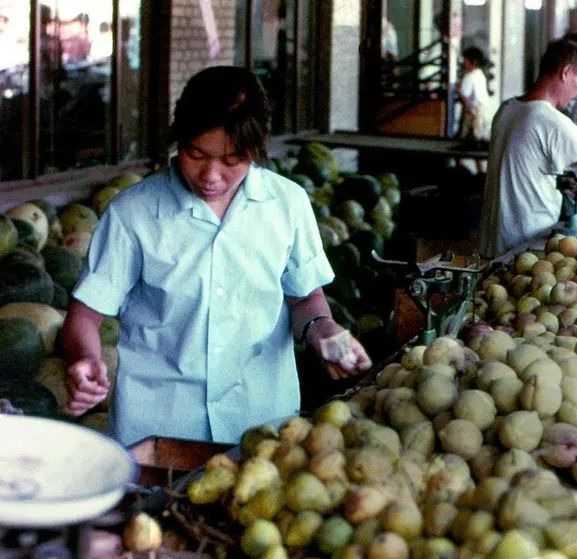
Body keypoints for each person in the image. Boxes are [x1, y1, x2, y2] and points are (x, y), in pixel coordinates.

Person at [62, 66, 372, 447]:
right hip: (158, 431)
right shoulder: (133, 213)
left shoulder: (287, 204)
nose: (211, 175)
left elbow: (306, 299)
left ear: (256, 149)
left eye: (232, 160)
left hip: (262, 424)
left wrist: (324, 330)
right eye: (196, 154)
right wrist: (85, 360)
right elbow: (85, 316)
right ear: (179, 139)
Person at [479, 38, 577, 258]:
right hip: (527, 253)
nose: (575, 93)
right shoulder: (553, 123)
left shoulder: (506, 109)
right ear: (566, 72)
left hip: (491, 247)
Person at [455, 46, 491, 143]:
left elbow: (465, 96)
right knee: (479, 137)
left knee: (469, 139)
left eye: (466, 60)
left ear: (473, 62)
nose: (464, 63)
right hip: (482, 110)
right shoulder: (480, 74)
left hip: (473, 111)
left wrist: (457, 90)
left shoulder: (469, 76)